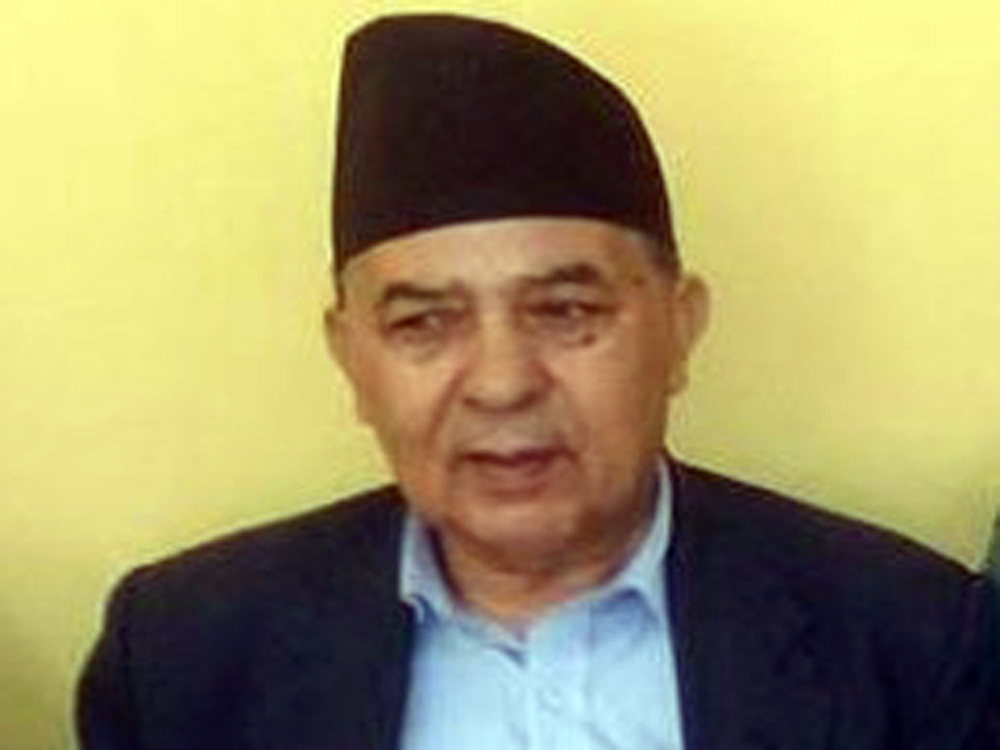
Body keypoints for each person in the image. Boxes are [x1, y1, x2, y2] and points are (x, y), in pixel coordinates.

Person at [76, 13, 1000, 750]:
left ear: (679, 328)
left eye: (565, 311)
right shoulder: (184, 656)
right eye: (423, 323)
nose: (502, 383)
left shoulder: (909, 637)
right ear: (351, 358)